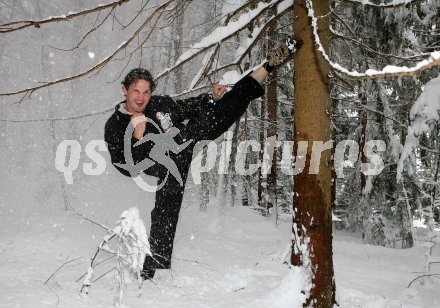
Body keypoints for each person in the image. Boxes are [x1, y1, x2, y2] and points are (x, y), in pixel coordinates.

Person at [104, 37, 302, 280]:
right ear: (125, 91)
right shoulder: (115, 125)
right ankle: (151, 269)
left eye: (146, 91)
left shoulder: (159, 104)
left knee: (219, 111)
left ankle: (266, 67)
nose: (140, 97)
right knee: (166, 208)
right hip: (156, 162)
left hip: (182, 144)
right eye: (135, 91)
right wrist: (137, 136)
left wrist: (211, 98)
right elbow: (127, 167)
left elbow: (186, 108)